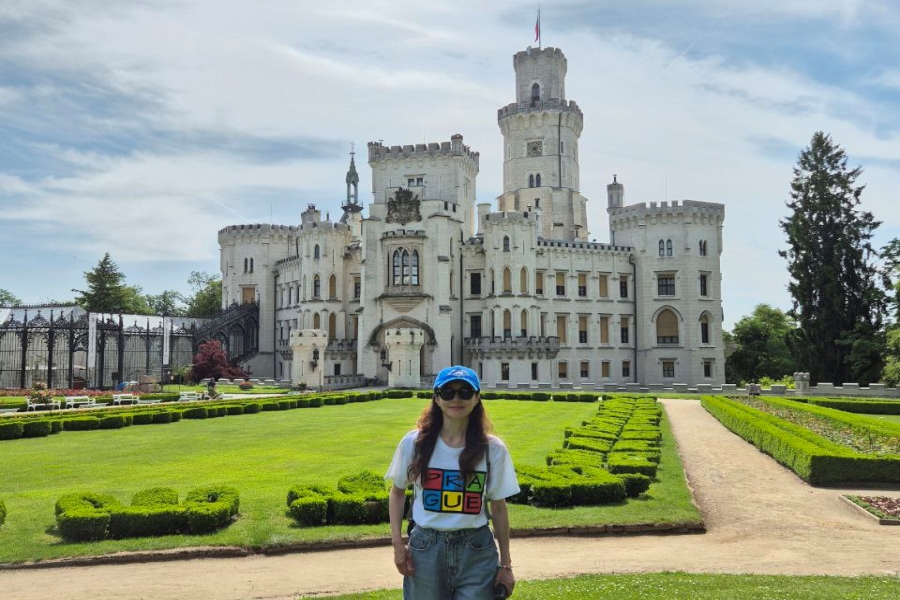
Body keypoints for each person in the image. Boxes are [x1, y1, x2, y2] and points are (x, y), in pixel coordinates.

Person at [386, 365, 519, 599]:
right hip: (426, 549)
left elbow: (498, 507)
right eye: (447, 392)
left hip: (476, 550)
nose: (456, 399)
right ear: (436, 398)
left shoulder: (492, 449)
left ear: (477, 398)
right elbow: (397, 492)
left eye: (465, 392)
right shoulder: (414, 444)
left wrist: (506, 566)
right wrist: (397, 543)